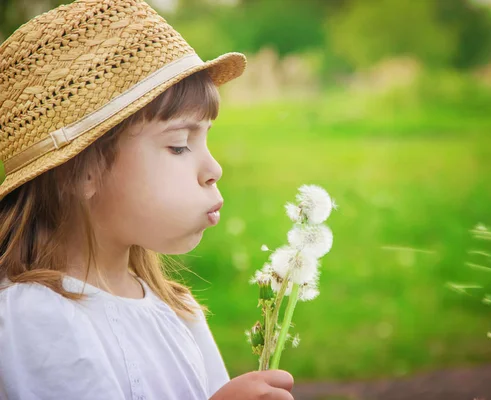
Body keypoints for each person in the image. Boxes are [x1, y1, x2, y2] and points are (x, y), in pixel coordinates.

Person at [0, 0, 294, 399]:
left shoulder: (177, 309)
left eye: (205, 139)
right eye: (178, 146)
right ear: (82, 171)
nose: (214, 169)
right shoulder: (35, 317)